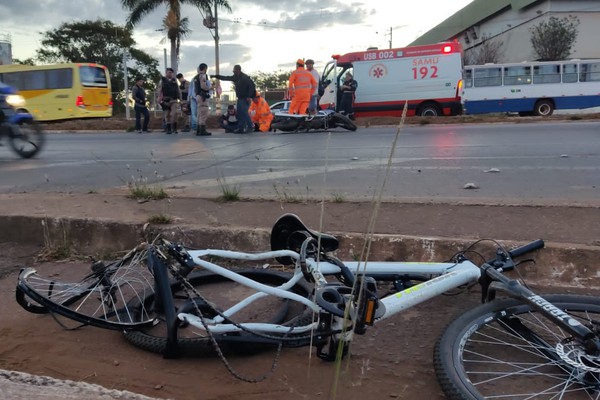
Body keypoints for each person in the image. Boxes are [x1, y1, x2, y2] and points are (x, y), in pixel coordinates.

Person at [213, 65, 255, 134]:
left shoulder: (245, 77)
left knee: (244, 113)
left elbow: (252, 86)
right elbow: (226, 78)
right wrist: (217, 76)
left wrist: (249, 96)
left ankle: (250, 127)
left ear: (238, 70)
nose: (233, 72)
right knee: (240, 114)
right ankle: (241, 128)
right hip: (240, 98)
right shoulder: (235, 77)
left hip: (245, 98)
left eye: (234, 70)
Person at [158, 67, 181, 134]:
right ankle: (168, 129)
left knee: (174, 114)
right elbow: (159, 90)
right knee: (167, 115)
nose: (170, 74)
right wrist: (159, 99)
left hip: (174, 100)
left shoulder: (174, 81)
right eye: (169, 72)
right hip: (166, 100)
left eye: (171, 72)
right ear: (166, 73)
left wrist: (180, 99)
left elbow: (178, 90)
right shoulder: (162, 81)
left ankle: (174, 128)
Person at [192, 63, 212, 136]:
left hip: (198, 96)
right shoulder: (203, 75)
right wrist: (210, 88)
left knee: (199, 113)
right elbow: (203, 86)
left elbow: (195, 89)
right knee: (203, 113)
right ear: (205, 68)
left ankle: (198, 130)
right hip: (203, 96)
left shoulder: (196, 77)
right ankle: (202, 131)